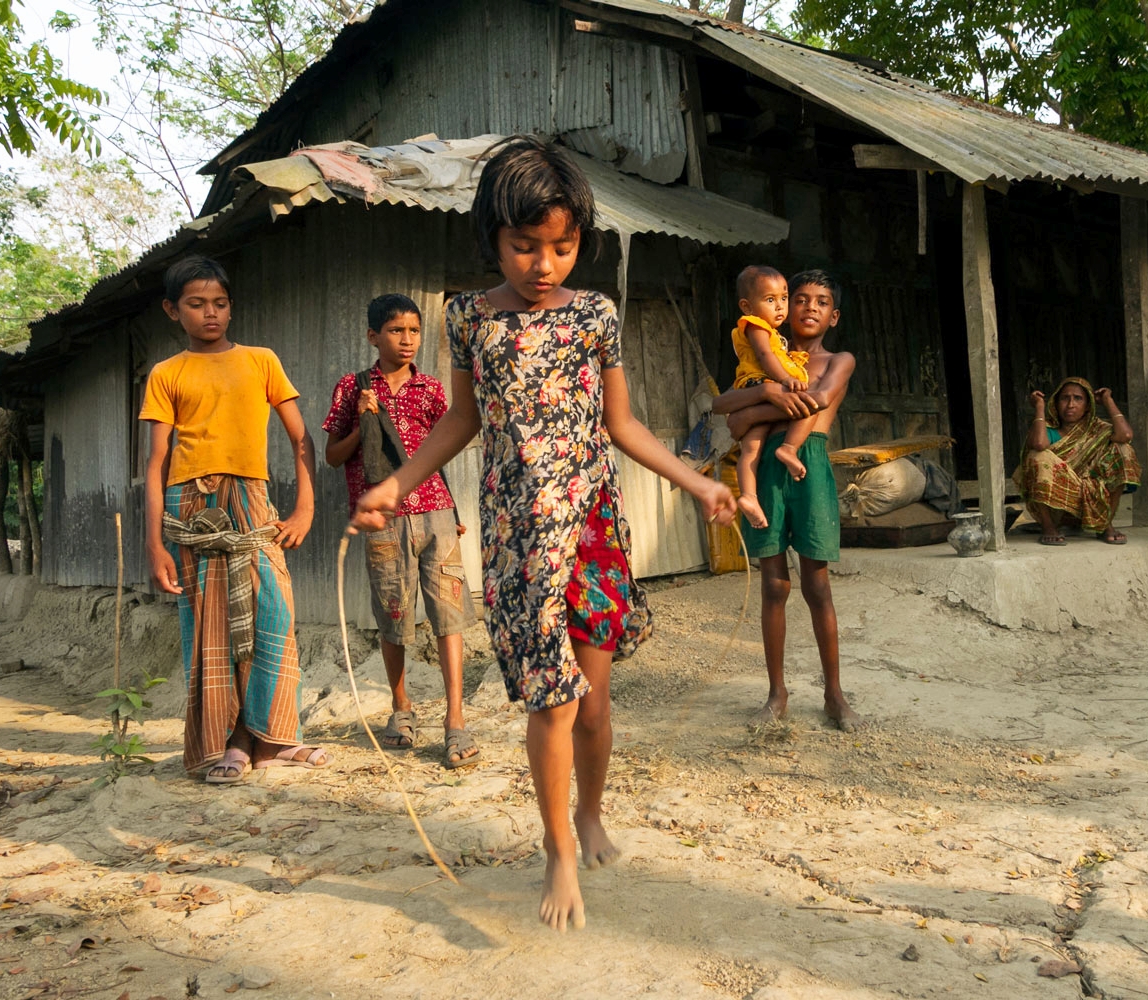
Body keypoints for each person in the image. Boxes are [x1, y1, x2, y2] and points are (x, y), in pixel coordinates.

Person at [350, 136, 734, 932]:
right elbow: (460, 422)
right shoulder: (467, 318)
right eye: (525, 247)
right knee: (552, 704)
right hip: (520, 541)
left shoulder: (596, 315)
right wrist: (394, 483)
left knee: (593, 704)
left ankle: (590, 812)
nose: (544, 264)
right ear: (492, 237)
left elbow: (623, 425)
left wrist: (698, 481)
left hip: (592, 529)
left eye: (562, 247)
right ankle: (558, 845)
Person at [140, 255, 325, 784]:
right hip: (191, 507)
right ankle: (230, 742)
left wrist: (306, 506)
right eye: (196, 305)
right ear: (172, 310)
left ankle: (271, 739)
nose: (210, 314)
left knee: (274, 614)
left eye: (219, 303)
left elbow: (300, 438)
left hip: (251, 503)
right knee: (208, 627)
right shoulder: (167, 373)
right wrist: (155, 545)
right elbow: (154, 463)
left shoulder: (261, 360)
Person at [323, 293, 481, 768]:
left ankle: (455, 720)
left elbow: (445, 447)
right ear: (373, 336)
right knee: (395, 615)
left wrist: (452, 508)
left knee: (449, 614)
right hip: (385, 520)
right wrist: (363, 417)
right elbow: (333, 455)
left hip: (435, 510)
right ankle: (401, 708)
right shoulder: (352, 388)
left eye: (413, 330)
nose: (407, 339)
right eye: (396, 331)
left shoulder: (431, 389)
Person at [712, 269, 861, 732]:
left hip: (808, 461)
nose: (808, 308)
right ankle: (777, 694)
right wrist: (766, 390)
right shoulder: (763, 353)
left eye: (820, 301)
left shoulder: (839, 360)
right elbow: (723, 412)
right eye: (799, 299)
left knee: (817, 586)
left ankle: (834, 694)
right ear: (779, 307)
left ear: (833, 316)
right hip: (765, 469)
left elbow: (814, 402)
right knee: (774, 585)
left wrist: (756, 402)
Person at [728, 265, 818, 529]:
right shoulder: (756, 326)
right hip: (763, 383)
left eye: (783, 298)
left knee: (751, 450)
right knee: (808, 408)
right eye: (770, 300)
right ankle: (788, 449)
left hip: (753, 388)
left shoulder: (772, 333)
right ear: (746, 307)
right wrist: (785, 378)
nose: (780, 306)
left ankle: (748, 497)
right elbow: (766, 358)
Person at [1016, 376, 1139, 545]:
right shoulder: (1048, 430)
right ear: (1056, 403)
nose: (1071, 405)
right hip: (1056, 505)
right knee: (1038, 456)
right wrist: (1039, 407)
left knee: (1123, 450)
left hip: (1093, 499)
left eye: (1078, 399)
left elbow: (1125, 436)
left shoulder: (1098, 430)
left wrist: (1107, 400)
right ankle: (1048, 527)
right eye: (1065, 398)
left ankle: (1104, 524)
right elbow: (1038, 444)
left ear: (1088, 405)